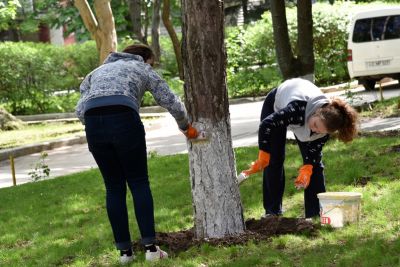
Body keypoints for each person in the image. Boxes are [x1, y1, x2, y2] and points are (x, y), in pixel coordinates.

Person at [75, 44, 198, 264]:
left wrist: (98, 125)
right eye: (153, 62)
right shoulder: (142, 68)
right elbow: (170, 100)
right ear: (146, 58)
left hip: (93, 124)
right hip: (124, 118)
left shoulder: (96, 73)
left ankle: (125, 254)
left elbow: (79, 110)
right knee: (139, 182)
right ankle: (151, 250)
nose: (152, 65)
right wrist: (185, 126)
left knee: (113, 186)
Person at [239, 78, 358, 219]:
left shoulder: (324, 130)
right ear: (317, 112)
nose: (314, 131)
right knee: (274, 160)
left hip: (303, 116)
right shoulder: (296, 109)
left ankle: (314, 214)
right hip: (276, 104)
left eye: (320, 131)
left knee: (314, 167)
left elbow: (313, 154)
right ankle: (272, 212)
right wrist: (264, 153)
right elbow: (267, 125)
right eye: (315, 125)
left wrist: (307, 168)